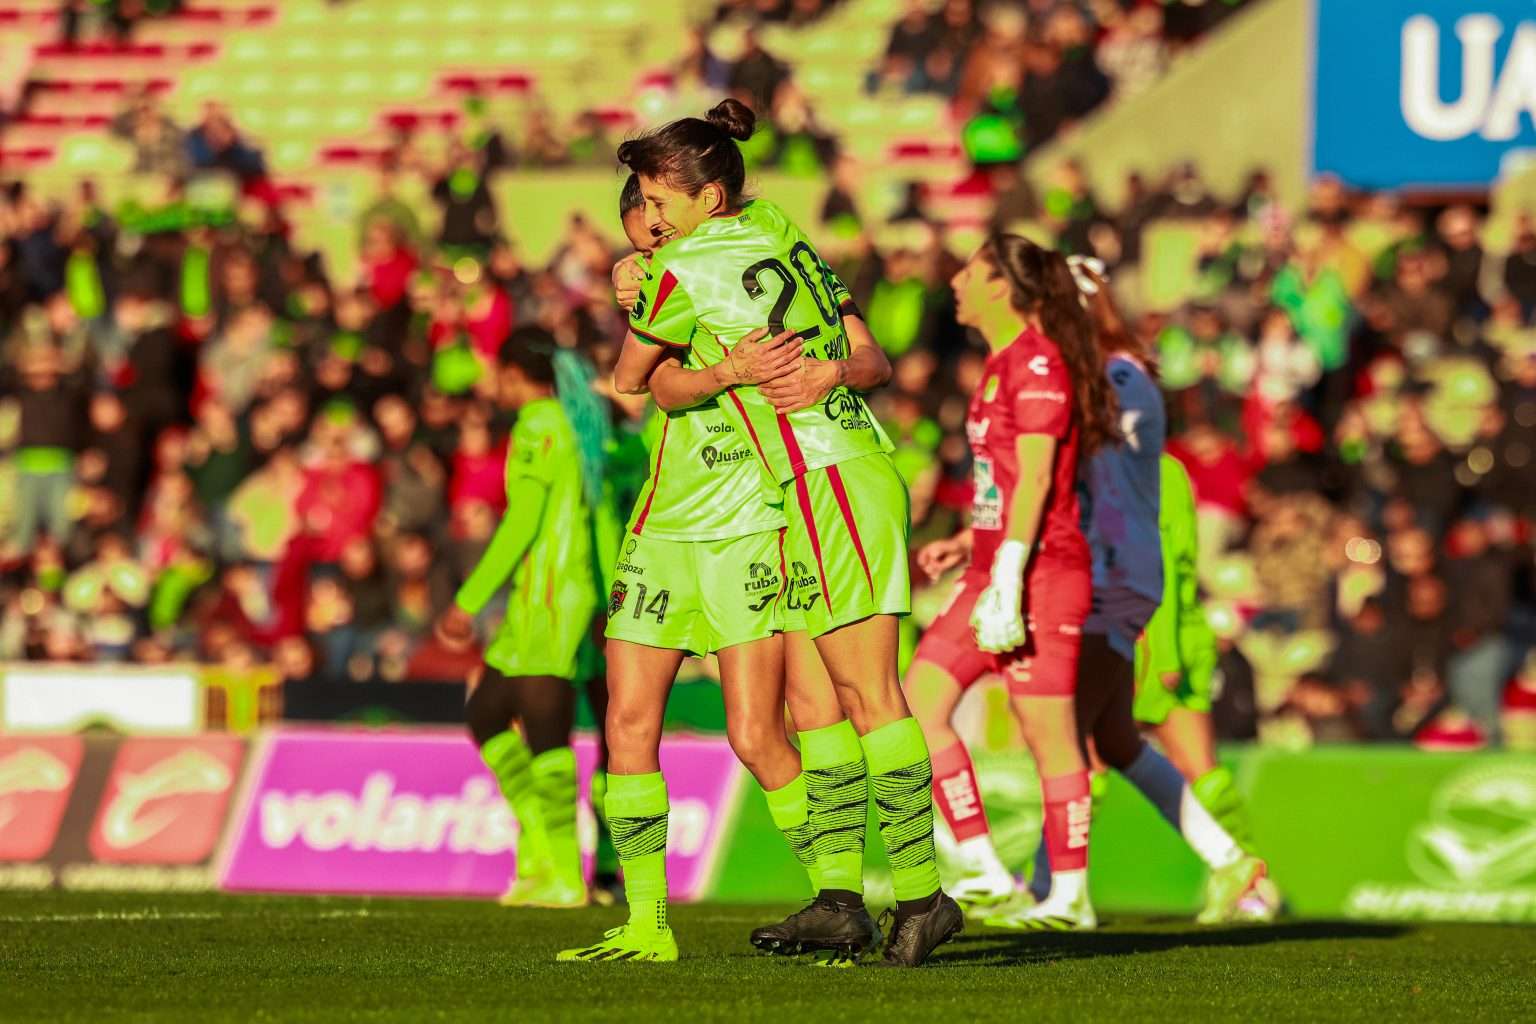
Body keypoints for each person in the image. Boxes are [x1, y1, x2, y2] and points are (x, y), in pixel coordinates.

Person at [572, 101, 959, 968]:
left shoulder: (688, 264)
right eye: (639, 198)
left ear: (705, 199)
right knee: (815, 704)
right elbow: (865, 351)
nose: (648, 212)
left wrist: (641, 291)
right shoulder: (776, 223)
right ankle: (836, 896)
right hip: (812, 483)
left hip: (827, 471)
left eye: (655, 194)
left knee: (868, 698)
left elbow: (633, 378)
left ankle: (925, 897)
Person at [558, 175, 860, 964]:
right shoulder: (663, 295)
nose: (654, 243)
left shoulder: (752, 262)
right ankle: (646, 920)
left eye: (660, 224)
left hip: (750, 527)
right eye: (642, 234)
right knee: (626, 723)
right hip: (663, 528)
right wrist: (710, 361)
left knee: (757, 734)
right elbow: (648, 386)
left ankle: (841, 896)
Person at [904, 234, 1114, 931]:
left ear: (1000, 286)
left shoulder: (1040, 363)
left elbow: (1042, 481)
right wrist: (971, 540)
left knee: (1048, 735)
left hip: (1042, 574)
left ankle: (1072, 897)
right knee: (917, 702)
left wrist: (1009, 574)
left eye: (969, 270)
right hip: (995, 565)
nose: (955, 281)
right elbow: (1015, 484)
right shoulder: (997, 365)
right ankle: (984, 869)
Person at [435, 330, 598, 910]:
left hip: (554, 592)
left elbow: (523, 520)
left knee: (545, 729)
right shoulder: (575, 420)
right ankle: (538, 849)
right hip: (550, 590)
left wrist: (469, 599)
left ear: (510, 373)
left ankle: (562, 873)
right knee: (486, 710)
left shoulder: (537, 424)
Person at [1132, 452, 1281, 922]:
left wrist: (1166, 651)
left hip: (1159, 637)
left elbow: (1168, 564)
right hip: (1158, 633)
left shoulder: (1156, 471)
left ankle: (1049, 883)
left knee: (1087, 759)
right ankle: (1248, 879)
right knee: (1194, 768)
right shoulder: (1143, 466)